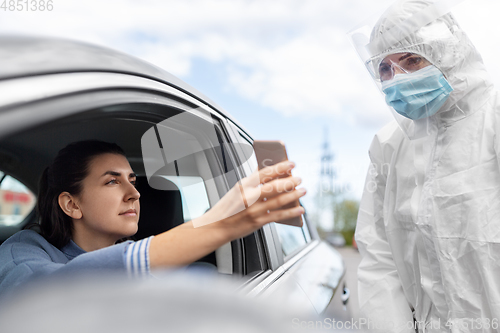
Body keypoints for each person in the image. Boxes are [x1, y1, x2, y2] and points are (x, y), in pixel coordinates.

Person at [353, 0, 500, 332]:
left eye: (411, 60)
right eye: (385, 69)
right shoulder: (389, 146)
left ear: (449, 51)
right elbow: (379, 260)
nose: (396, 79)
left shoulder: (494, 118)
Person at [0, 140, 306, 297]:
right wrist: (224, 222)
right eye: (111, 181)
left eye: (132, 180)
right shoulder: (24, 252)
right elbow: (42, 295)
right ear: (71, 204)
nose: (135, 192)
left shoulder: (161, 265)